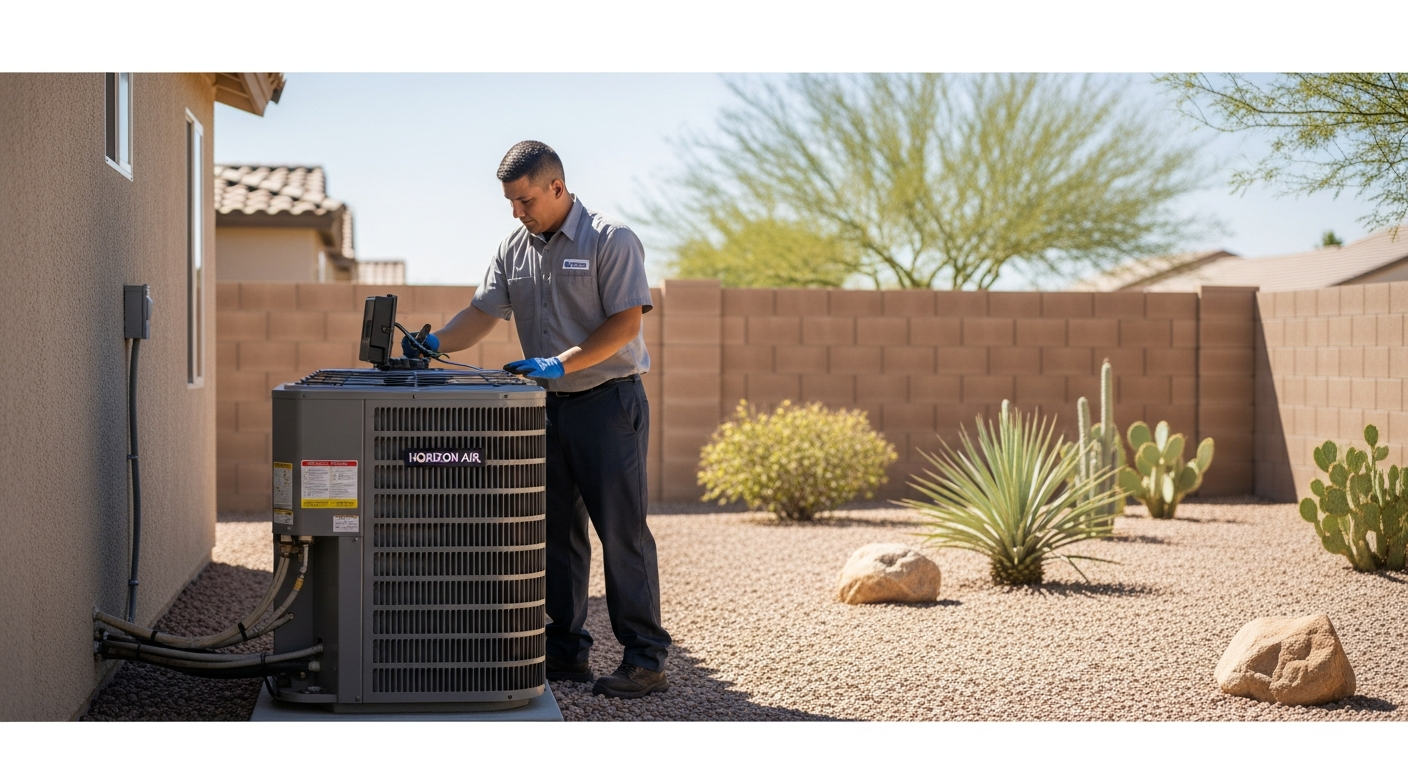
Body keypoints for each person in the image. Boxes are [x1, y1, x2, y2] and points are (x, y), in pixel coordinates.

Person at [404, 140, 670, 698]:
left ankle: (645, 660)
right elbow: (481, 312)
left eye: (525, 200)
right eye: (510, 202)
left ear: (557, 187)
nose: (517, 212)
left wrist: (560, 362)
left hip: (608, 403)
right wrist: (434, 343)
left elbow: (625, 325)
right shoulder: (513, 248)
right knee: (555, 534)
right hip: (547, 408)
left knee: (621, 533)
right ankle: (566, 653)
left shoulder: (611, 239)